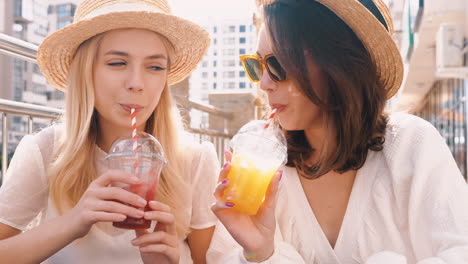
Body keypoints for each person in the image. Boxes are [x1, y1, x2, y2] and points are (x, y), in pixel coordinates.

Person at [208, 0, 468, 263]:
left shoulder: (410, 143)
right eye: (258, 65)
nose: (264, 83)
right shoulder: (259, 157)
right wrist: (260, 253)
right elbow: (223, 256)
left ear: (338, 65)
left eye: (278, 65)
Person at [0, 0, 219, 263]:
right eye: (117, 63)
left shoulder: (195, 160)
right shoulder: (46, 150)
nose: (136, 84)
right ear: (85, 71)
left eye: (155, 67)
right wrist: (72, 222)